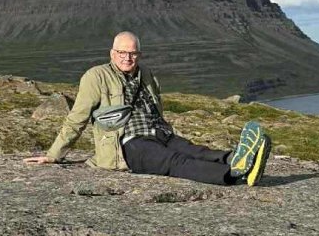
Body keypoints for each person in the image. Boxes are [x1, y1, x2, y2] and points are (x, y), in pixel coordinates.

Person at [25, 31, 271, 186]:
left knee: (195, 150)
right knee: (175, 162)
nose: (127, 58)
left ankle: (239, 158)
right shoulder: (96, 77)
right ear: (112, 53)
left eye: (132, 53)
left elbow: (157, 109)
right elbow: (76, 118)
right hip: (128, 144)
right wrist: (53, 155)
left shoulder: (147, 75)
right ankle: (233, 175)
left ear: (139, 54)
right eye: (122, 52)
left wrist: (166, 132)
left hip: (158, 133)